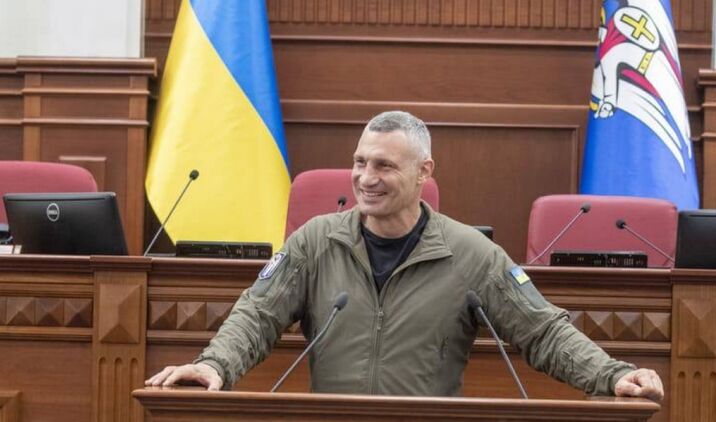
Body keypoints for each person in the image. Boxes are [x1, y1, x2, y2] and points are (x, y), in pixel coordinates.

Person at [146, 111, 664, 401]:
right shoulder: (315, 241)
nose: (365, 178)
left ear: (424, 172)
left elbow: (543, 331)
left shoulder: (472, 254)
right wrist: (214, 365)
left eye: (384, 166)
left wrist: (610, 374)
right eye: (359, 162)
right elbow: (256, 314)